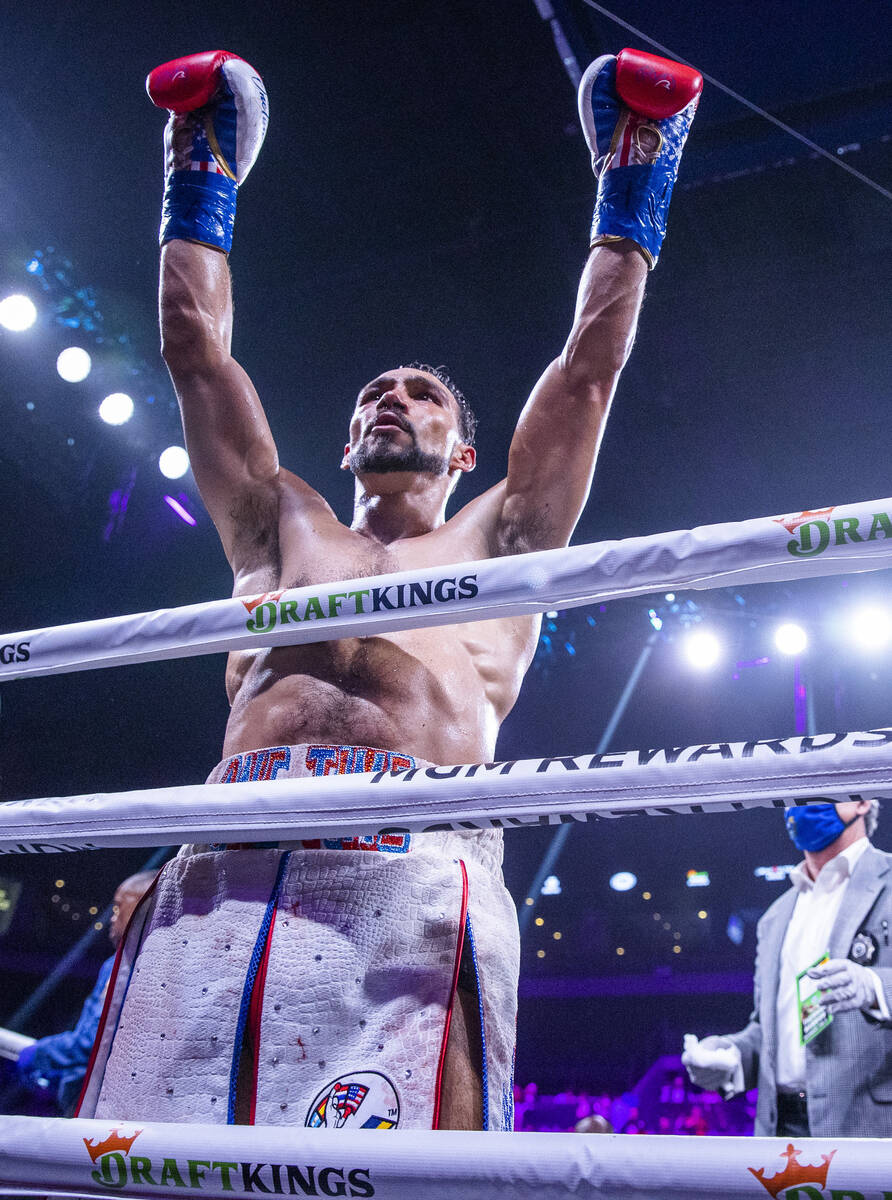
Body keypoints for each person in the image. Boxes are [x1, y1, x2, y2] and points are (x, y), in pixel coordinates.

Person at [77, 47, 699, 1131]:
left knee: (412, 1168)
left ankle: (639, 157)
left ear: (465, 451)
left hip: (413, 859)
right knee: (149, 1164)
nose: (390, 401)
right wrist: (198, 165)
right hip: (233, 847)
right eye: (375, 393)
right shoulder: (281, 522)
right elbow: (194, 351)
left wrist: (636, 170)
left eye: (420, 397)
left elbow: (591, 364)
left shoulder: (504, 537)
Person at [682, 799, 892, 1137]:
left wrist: (874, 987)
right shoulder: (775, 916)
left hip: (872, 1127)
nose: (803, 806)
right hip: (779, 1127)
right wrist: (730, 1056)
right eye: (796, 796)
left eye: (820, 794)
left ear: (863, 802)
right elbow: (768, 1029)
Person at [11, 871, 154, 1113]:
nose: (112, 917)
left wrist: (37, 1054)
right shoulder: (122, 963)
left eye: (119, 908)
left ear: (142, 913)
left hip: (104, 1105)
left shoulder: (125, 966)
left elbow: (93, 1040)